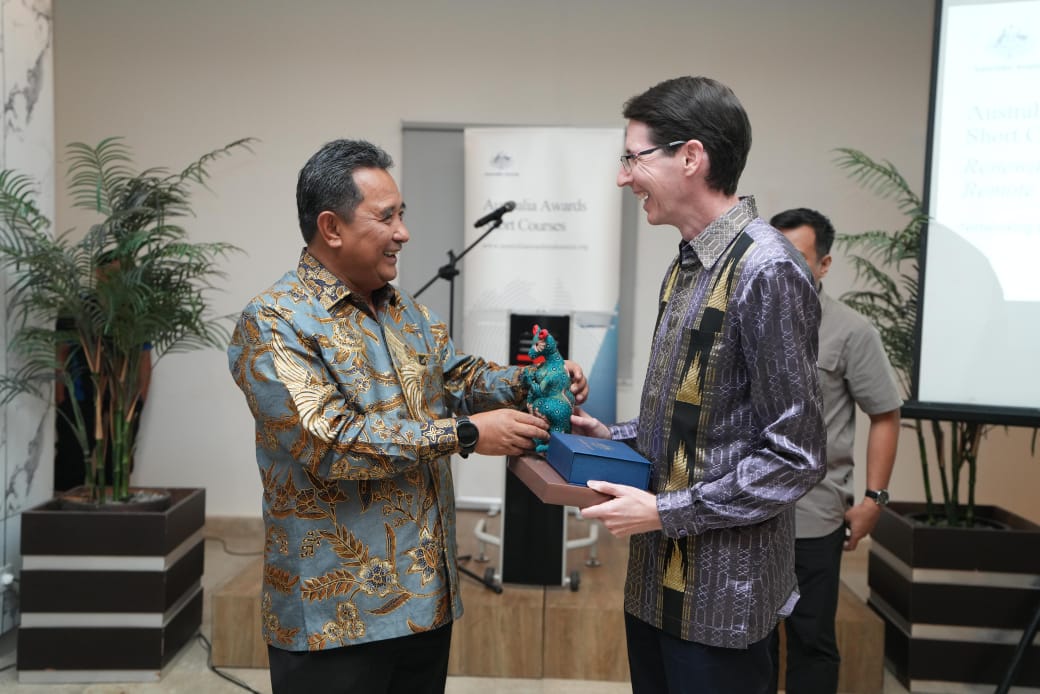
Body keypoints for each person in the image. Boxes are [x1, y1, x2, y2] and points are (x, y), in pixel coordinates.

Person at [226, 139, 587, 694]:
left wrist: (532, 381)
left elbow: (460, 378)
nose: (403, 233)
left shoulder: (407, 313)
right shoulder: (274, 321)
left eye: (403, 215)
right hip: (336, 615)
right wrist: (466, 435)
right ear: (331, 227)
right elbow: (329, 441)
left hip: (424, 603)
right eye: (387, 217)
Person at [573, 76, 827, 694]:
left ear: (691, 157)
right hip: (653, 587)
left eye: (633, 158)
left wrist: (665, 511)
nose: (623, 177)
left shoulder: (767, 269)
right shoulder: (687, 261)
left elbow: (795, 455)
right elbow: (696, 421)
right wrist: (612, 436)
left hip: (723, 603)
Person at [769, 207, 902, 693]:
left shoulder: (851, 331)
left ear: (824, 264)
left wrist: (873, 500)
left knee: (810, 640)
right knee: (747, 643)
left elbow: (885, 414)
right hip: (743, 512)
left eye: (796, 258)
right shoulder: (744, 318)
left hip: (813, 515)